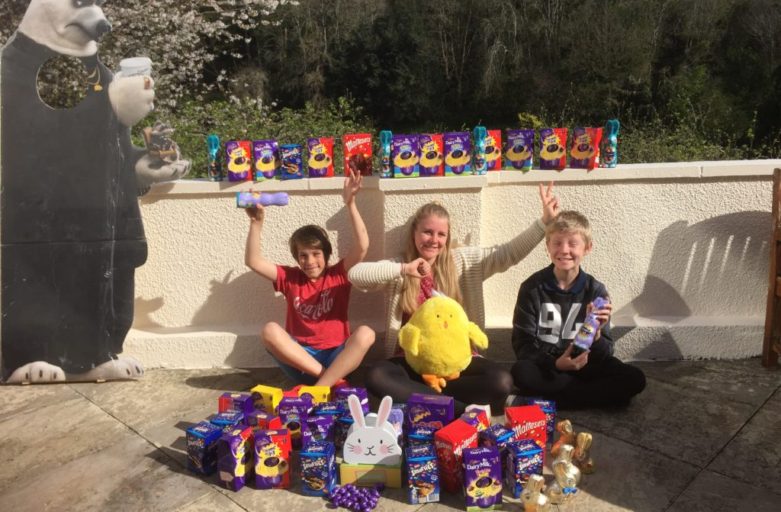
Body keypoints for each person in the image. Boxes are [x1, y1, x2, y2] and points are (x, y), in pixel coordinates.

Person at [348, 183, 560, 414]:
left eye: (441, 234)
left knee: (502, 381)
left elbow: (508, 254)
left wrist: (544, 223)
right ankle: (461, 410)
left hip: (458, 364)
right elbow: (356, 275)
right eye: (427, 232)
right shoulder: (401, 267)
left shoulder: (463, 262)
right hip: (413, 364)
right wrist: (403, 269)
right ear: (414, 233)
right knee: (377, 375)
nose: (433, 240)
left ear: (447, 238)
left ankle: (426, 400)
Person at [244, 170, 375, 387]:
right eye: (303, 256)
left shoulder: (338, 275)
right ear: (296, 258)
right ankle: (329, 382)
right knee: (269, 331)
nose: (310, 261)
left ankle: (320, 388)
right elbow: (254, 261)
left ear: (326, 255)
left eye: (316, 254)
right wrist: (256, 223)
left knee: (366, 334)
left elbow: (363, 246)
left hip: (337, 357)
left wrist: (350, 203)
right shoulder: (290, 278)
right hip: (302, 362)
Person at [509, 210, 646, 409]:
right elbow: (523, 345)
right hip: (548, 365)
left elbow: (605, 352)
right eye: (557, 243)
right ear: (548, 246)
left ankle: (553, 400)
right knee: (521, 372)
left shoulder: (596, 290)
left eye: (572, 243)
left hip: (584, 364)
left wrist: (597, 334)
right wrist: (556, 364)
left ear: (587, 248)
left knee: (635, 378)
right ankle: (597, 398)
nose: (564, 250)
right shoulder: (532, 287)